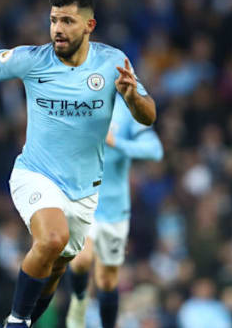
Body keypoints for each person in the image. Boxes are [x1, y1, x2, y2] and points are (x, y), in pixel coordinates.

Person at [0, 0, 157, 327]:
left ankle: (27, 319)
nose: (57, 28)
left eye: (67, 21)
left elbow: (148, 115)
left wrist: (132, 98)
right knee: (52, 239)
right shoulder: (32, 59)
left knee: (54, 269)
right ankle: (15, 321)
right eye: (54, 20)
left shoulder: (113, 62)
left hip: (84, 191)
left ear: (89, 26)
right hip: (35, 174)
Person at [65, 93, 163, 328]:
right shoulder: (73, 102)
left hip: (113, 210)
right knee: (82, 259)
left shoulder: (128, 111)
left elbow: (155, 150)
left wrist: (116, 142)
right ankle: (79, 302)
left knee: (108, 281)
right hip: (82, 200)